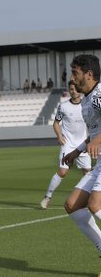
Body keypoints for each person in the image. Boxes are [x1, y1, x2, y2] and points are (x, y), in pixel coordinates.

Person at [61, 55, 101, 260]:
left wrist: (97, 141)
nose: (72, 77)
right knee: (72, 205)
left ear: (89, 74)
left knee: (95, 205)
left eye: (75, 72)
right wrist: (77, 151)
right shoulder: (86, 100)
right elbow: (93, 134)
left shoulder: (100, 94)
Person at [40, 81, 91, 209]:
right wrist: (59, 136)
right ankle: (47, 197)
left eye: (74, 89)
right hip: (68, 145)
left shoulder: (87, 105)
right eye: (71, 89)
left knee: (87, 173)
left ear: (79, 89)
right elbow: (56, 123)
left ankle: (87, 199)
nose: (73, 91)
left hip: (83, 145)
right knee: (63, 172)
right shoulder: (63, 106)